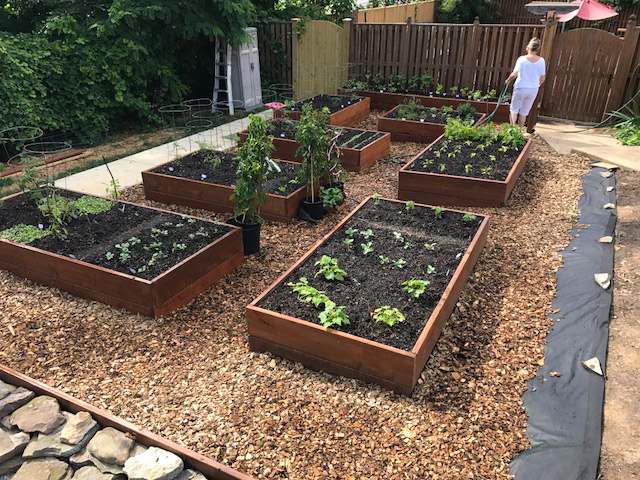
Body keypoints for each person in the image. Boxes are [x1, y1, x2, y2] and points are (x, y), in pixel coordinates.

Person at [506, 38, 546, 127]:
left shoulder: (522, 59)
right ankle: (519, 133)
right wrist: (536, 85)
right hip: (533, 90)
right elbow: (542, 78)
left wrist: (508, 80)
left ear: (528, 47)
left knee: (514, 110)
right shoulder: (541, 61)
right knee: (524, 112)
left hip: (520, 88)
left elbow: (514, 74)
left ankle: (512, 131)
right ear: (538, 49)